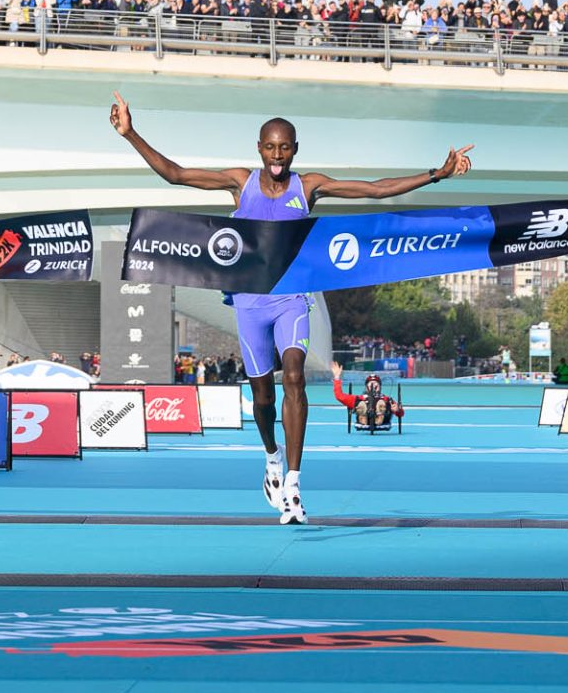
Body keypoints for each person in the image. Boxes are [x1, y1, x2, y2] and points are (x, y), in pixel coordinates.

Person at [110, 93, 473, 525]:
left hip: (293, 298)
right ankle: (272, 456)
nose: (277, 155)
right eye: (270, 147)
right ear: (259, 148)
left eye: (285, 147)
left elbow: (375, 190)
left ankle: (295, 486)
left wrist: (437, 174)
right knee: (262, 396)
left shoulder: (308, 186)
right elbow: (175, 175)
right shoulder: (240, 182)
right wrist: (130, 133)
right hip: (249, 303)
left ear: (295, 149)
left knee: (295, 377)